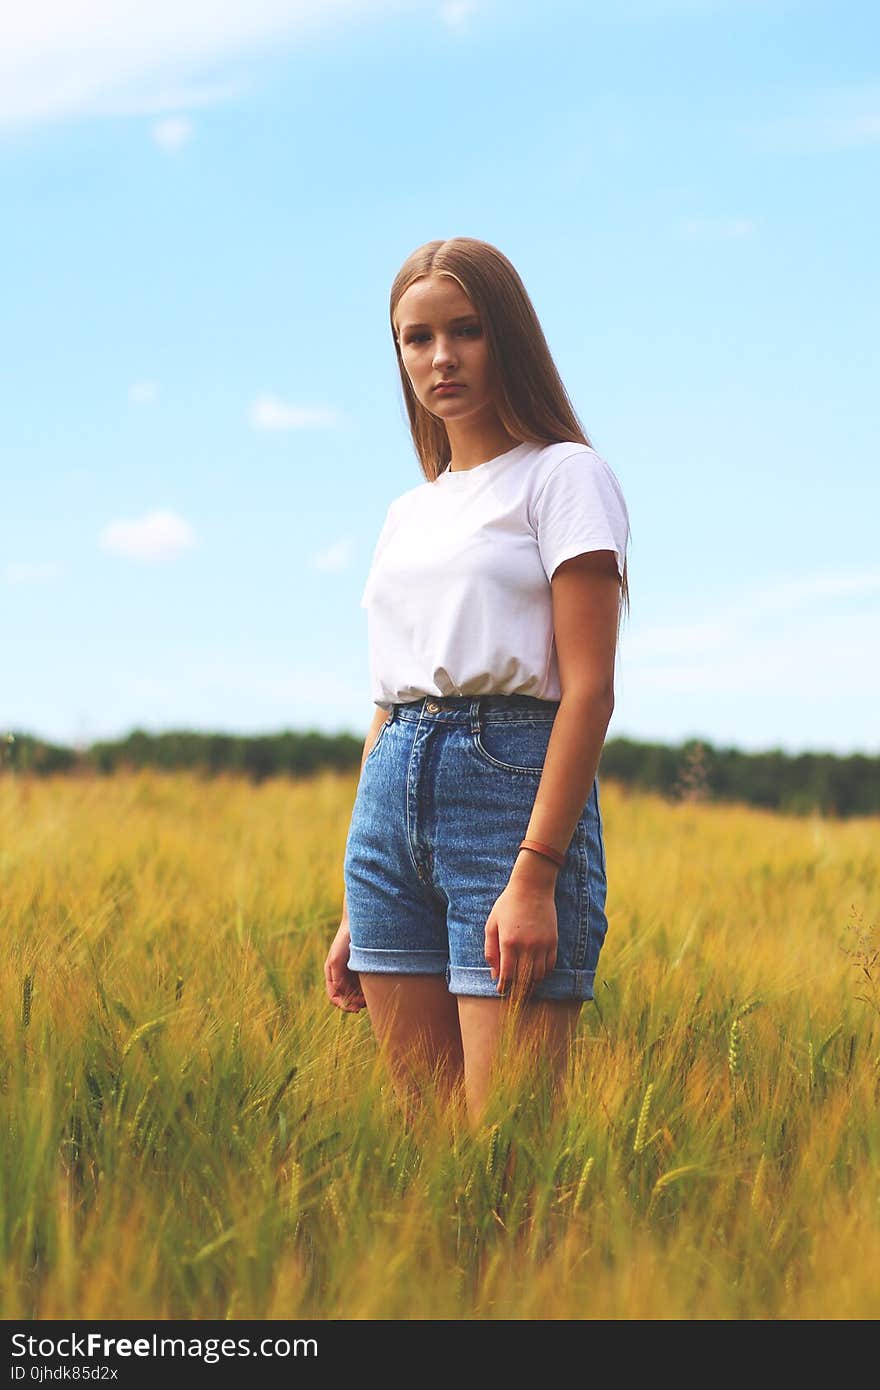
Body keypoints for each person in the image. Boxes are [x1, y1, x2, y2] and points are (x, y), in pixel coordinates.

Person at [324, 236, 631, 1124]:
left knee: (511, 1152)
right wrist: (360, 894)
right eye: (416, 340)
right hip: (389, 803)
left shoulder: (564, 476)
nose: (441, 358)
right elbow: (389, 701)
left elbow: (591, 691)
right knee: (427, 1157)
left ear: (511, 337)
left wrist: (536, 873)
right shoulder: (407, 511)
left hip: (508, 796)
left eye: (466, 330)